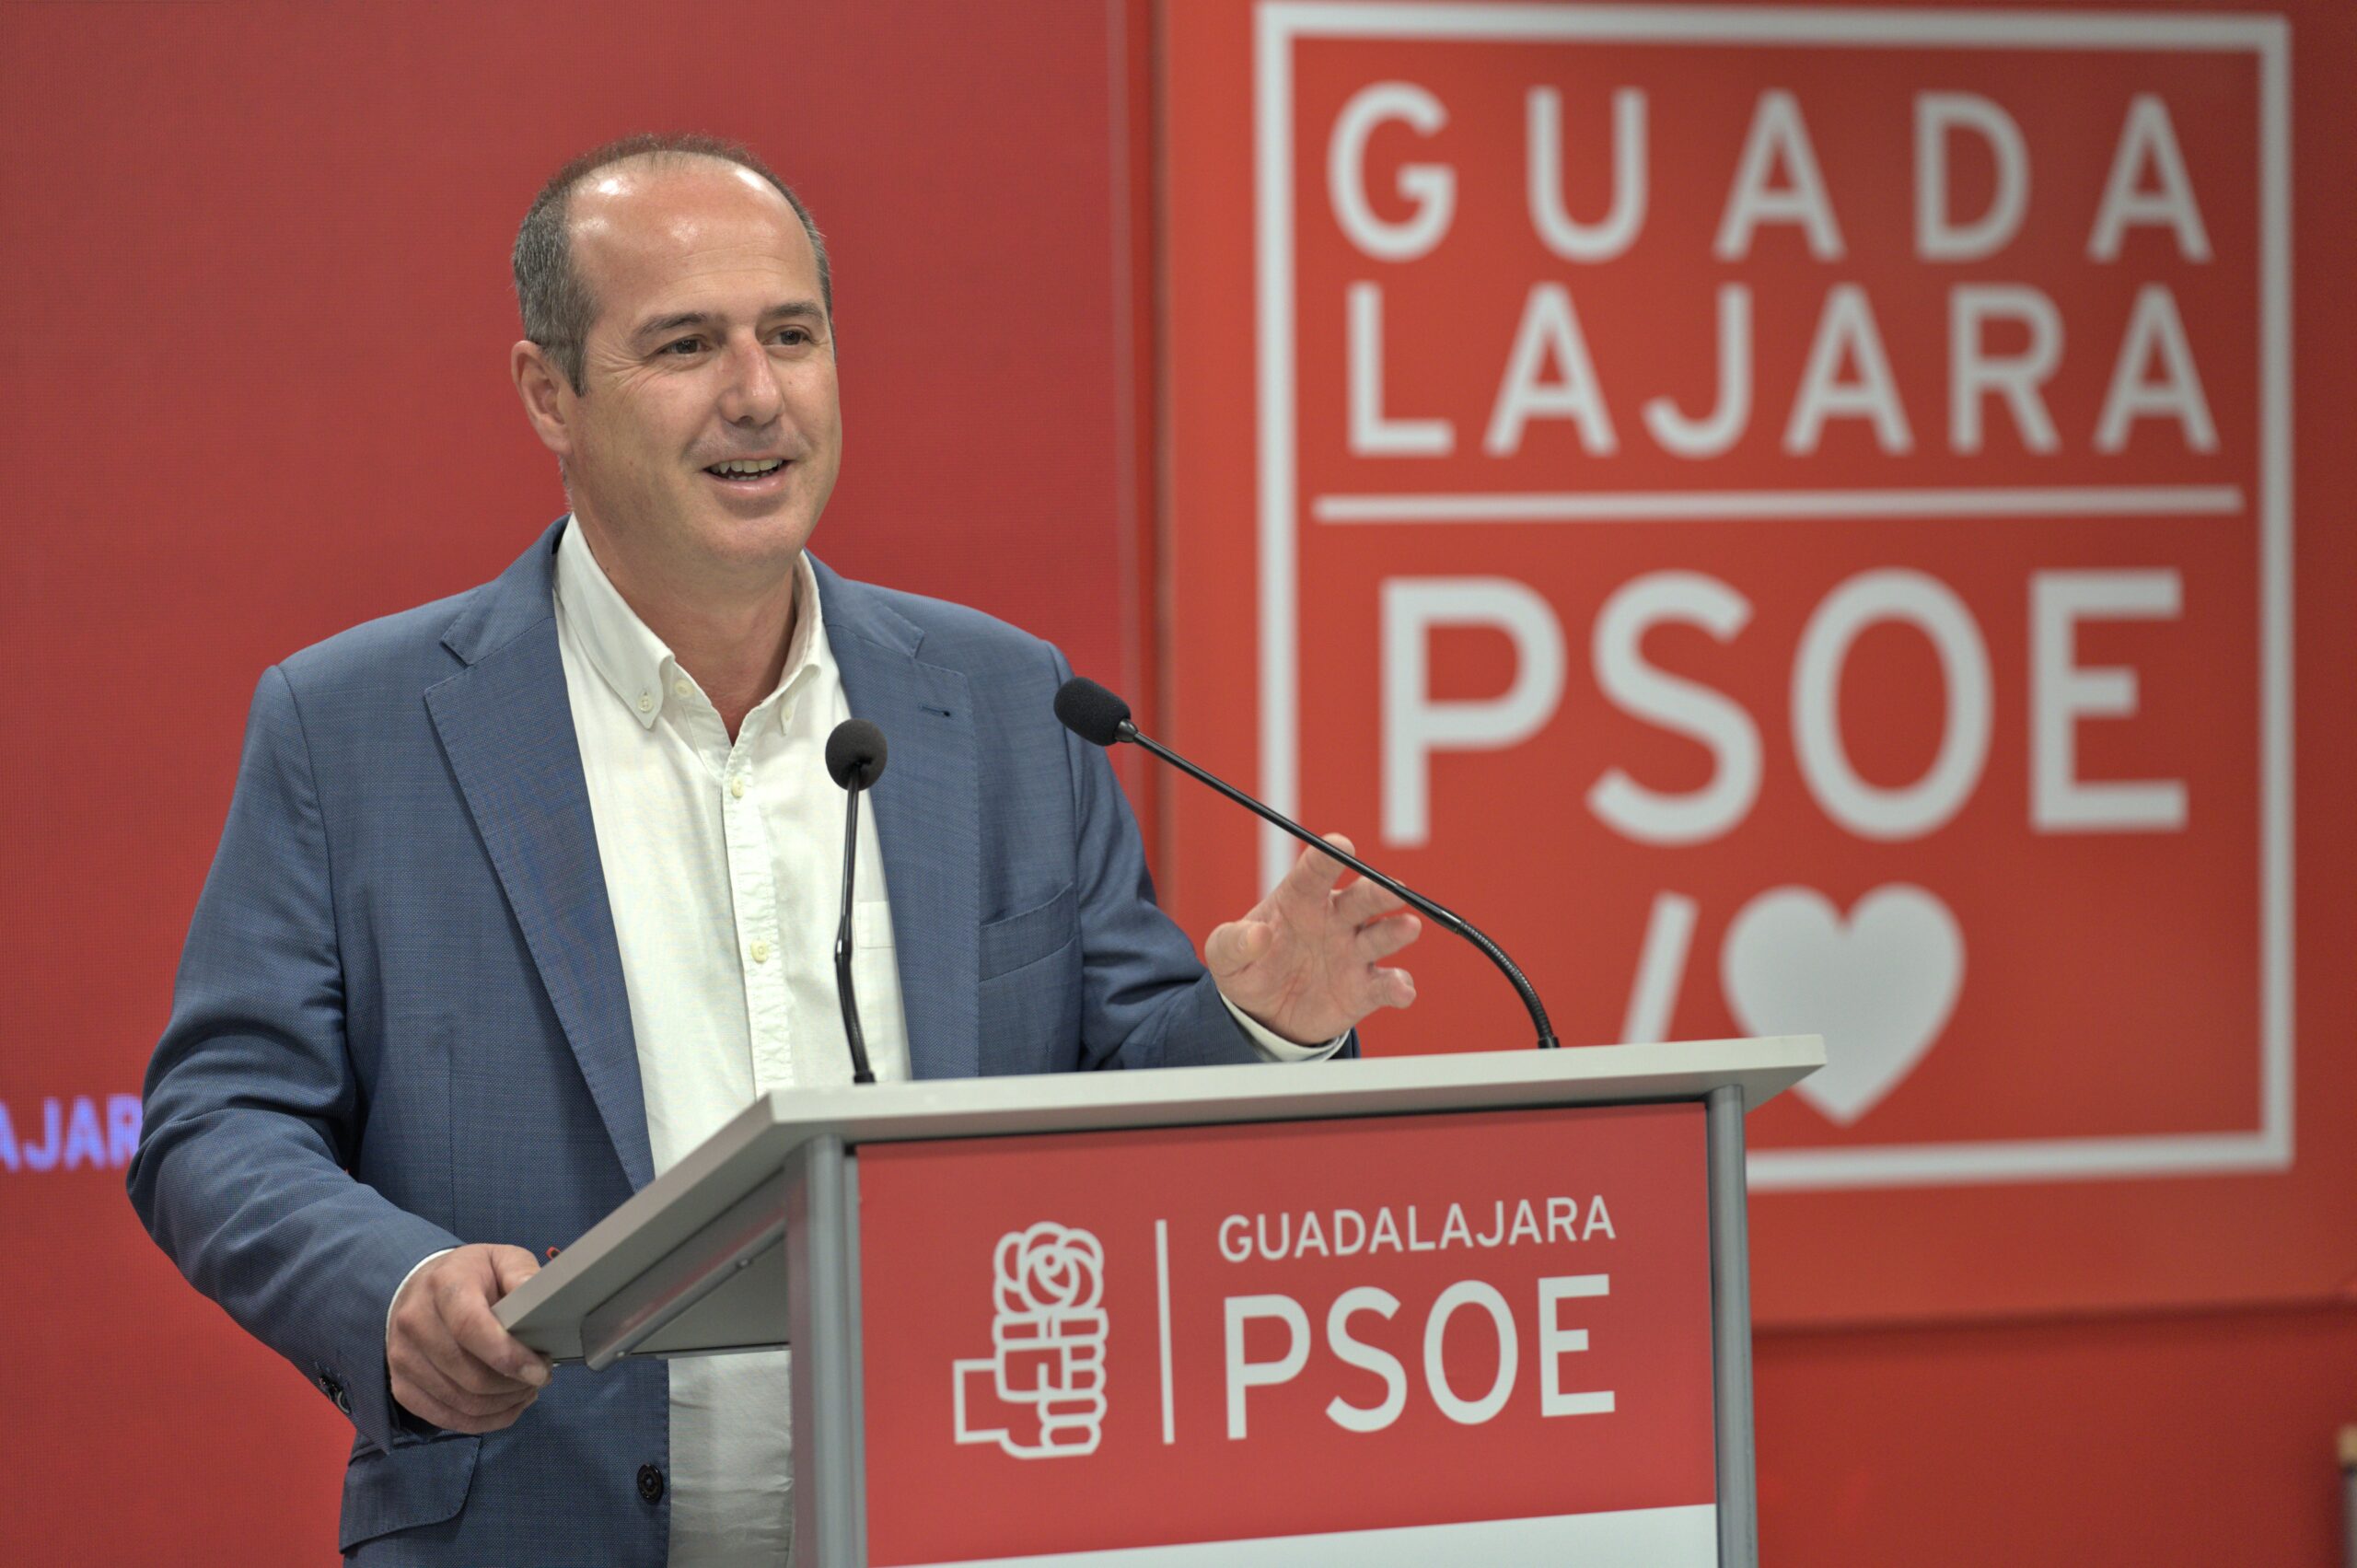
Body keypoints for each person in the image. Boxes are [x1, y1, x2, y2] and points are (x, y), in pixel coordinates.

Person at [128, 133, 1420, 1565]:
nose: (758, 394)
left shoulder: (1006, 704)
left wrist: (1260, 1024)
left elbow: (1114, 1110)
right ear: (549, 394)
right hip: (535, 1521)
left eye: (792, 335)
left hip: (968, 1519)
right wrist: (394, 1287)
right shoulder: (355, 727)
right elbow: (218, 1123)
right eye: (686, 345)